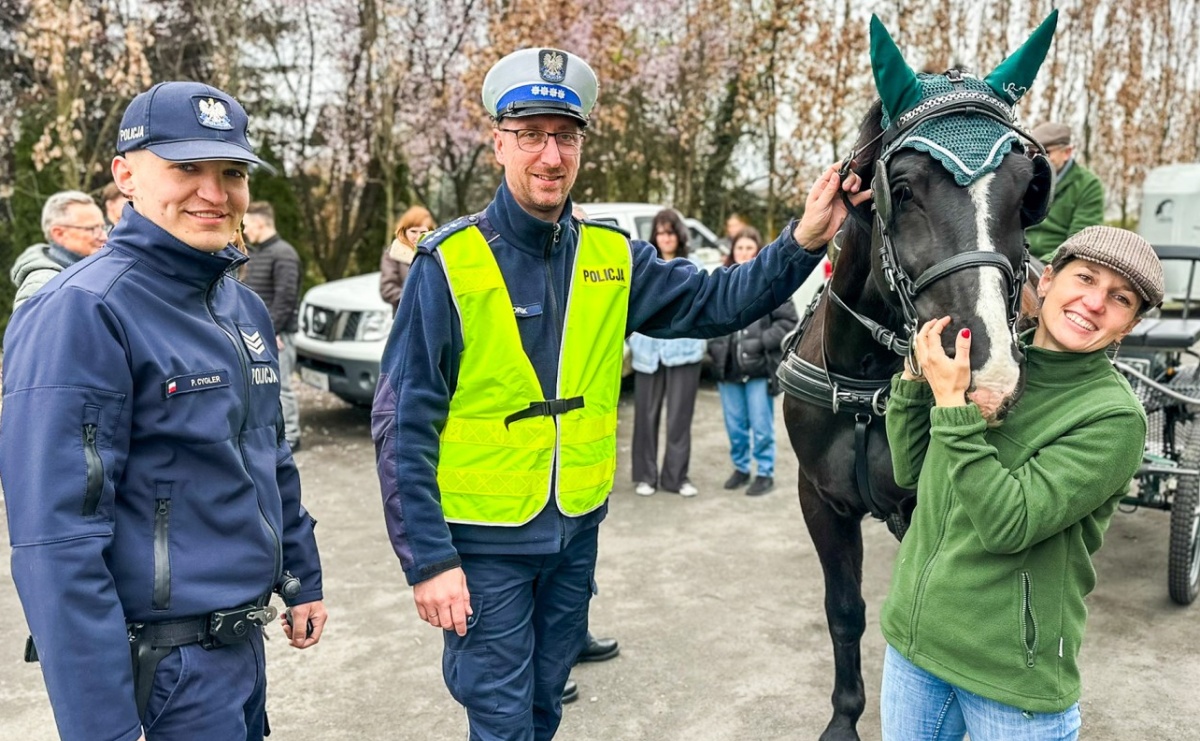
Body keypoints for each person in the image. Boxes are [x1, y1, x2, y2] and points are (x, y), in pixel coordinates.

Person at [371, 46, 867, 741]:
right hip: (483, 547)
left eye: (566, 135)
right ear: (498, 142)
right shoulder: (447, 265)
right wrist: (429, 561)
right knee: (503, 718)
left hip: (574, 533)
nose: (551, 154)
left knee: (545, 706)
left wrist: (803, 238)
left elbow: (718, 301)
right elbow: (402, 424)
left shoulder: (611, 254)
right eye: (532, 133)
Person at [0, 81, 326, 741]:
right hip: (160, 674)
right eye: (186, 167)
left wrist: (301, 574)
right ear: (125, 176)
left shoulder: (239, 306)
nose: (214, 190)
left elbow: (268, 454)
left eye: (230, 171)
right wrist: (103, 727)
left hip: (238, 655)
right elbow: (56, 545)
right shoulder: (83, 311)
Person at [881, 226, 1162, 739]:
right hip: (914, 645)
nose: (1094, 302)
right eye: (1085, 278)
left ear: (1128, 326)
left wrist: (951, 405)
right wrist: (914, 380)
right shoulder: (990, 360)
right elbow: (912, 472)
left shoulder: (1113, 418)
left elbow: (1007, 525)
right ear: (1047, 280)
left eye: (1119, 298)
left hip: (1010, 679)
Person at [706, 226, 799, 496]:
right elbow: (709, 321)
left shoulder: (772, 283)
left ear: (758, 251)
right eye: (739, 248)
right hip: (728, 369)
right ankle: (741, 468)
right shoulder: (720, 282)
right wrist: (716, 348)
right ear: (732, 252)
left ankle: (765, 472)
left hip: (758, 369)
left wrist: (760, 343)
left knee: (761, 426)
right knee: (735, 426)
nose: (744, 253)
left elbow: (788, 321)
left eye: (749, 248)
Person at [629, 209, 707, 497]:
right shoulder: (644, 266)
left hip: (684, 352)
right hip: (647, 353)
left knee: (679, 418)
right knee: (645, 417)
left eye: (670, 232)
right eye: (660, 232)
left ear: (679, 235)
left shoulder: (693, 265)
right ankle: (645, 476)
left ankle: (676, 477)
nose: (665, 238)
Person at [242, 200, 304, 450]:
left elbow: (286, 299)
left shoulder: (284, 254)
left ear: (259, 222)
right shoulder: (257, 254)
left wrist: (272, 331)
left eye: (246, 224)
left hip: (278, 335)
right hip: (258, 334)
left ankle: (292, 436)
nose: (244, 230)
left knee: (284, 386)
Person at [9, 190, 108, 311]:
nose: (104, 236)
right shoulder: (41, 287)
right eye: (92, 229)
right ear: (59, 234)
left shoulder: (87, 270)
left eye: (102, 228)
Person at [1025, 121, 1105, 261]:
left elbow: (1080, 240)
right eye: (1032, 152)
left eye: (1045, 152)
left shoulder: (1088, 185)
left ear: (1067, 152)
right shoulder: (1023, 178)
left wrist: (1043, 266)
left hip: (1058, 263)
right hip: (1020, 259)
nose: (1037, 158)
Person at [380, 205, 436, 313]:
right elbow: (388, 288)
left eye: (423, 232)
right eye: (413, 231)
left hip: (433, 314)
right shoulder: (393, 253)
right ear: (404, 231)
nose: (418, 237)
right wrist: (413, 301)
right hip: (405, 315)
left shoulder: (436, 254)